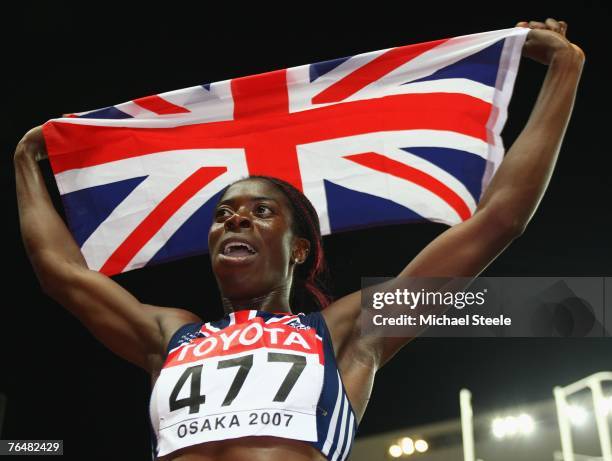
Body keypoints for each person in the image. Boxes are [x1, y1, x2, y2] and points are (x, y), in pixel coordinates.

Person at [15, 18, 584, 461]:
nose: (234, 221)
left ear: (301, 248)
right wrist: (27, 161)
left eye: (261, 212)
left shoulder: (346, 331)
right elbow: (62, 274)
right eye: (223, 213)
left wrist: (563, 70)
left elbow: (497, 221)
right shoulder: (169, 335)